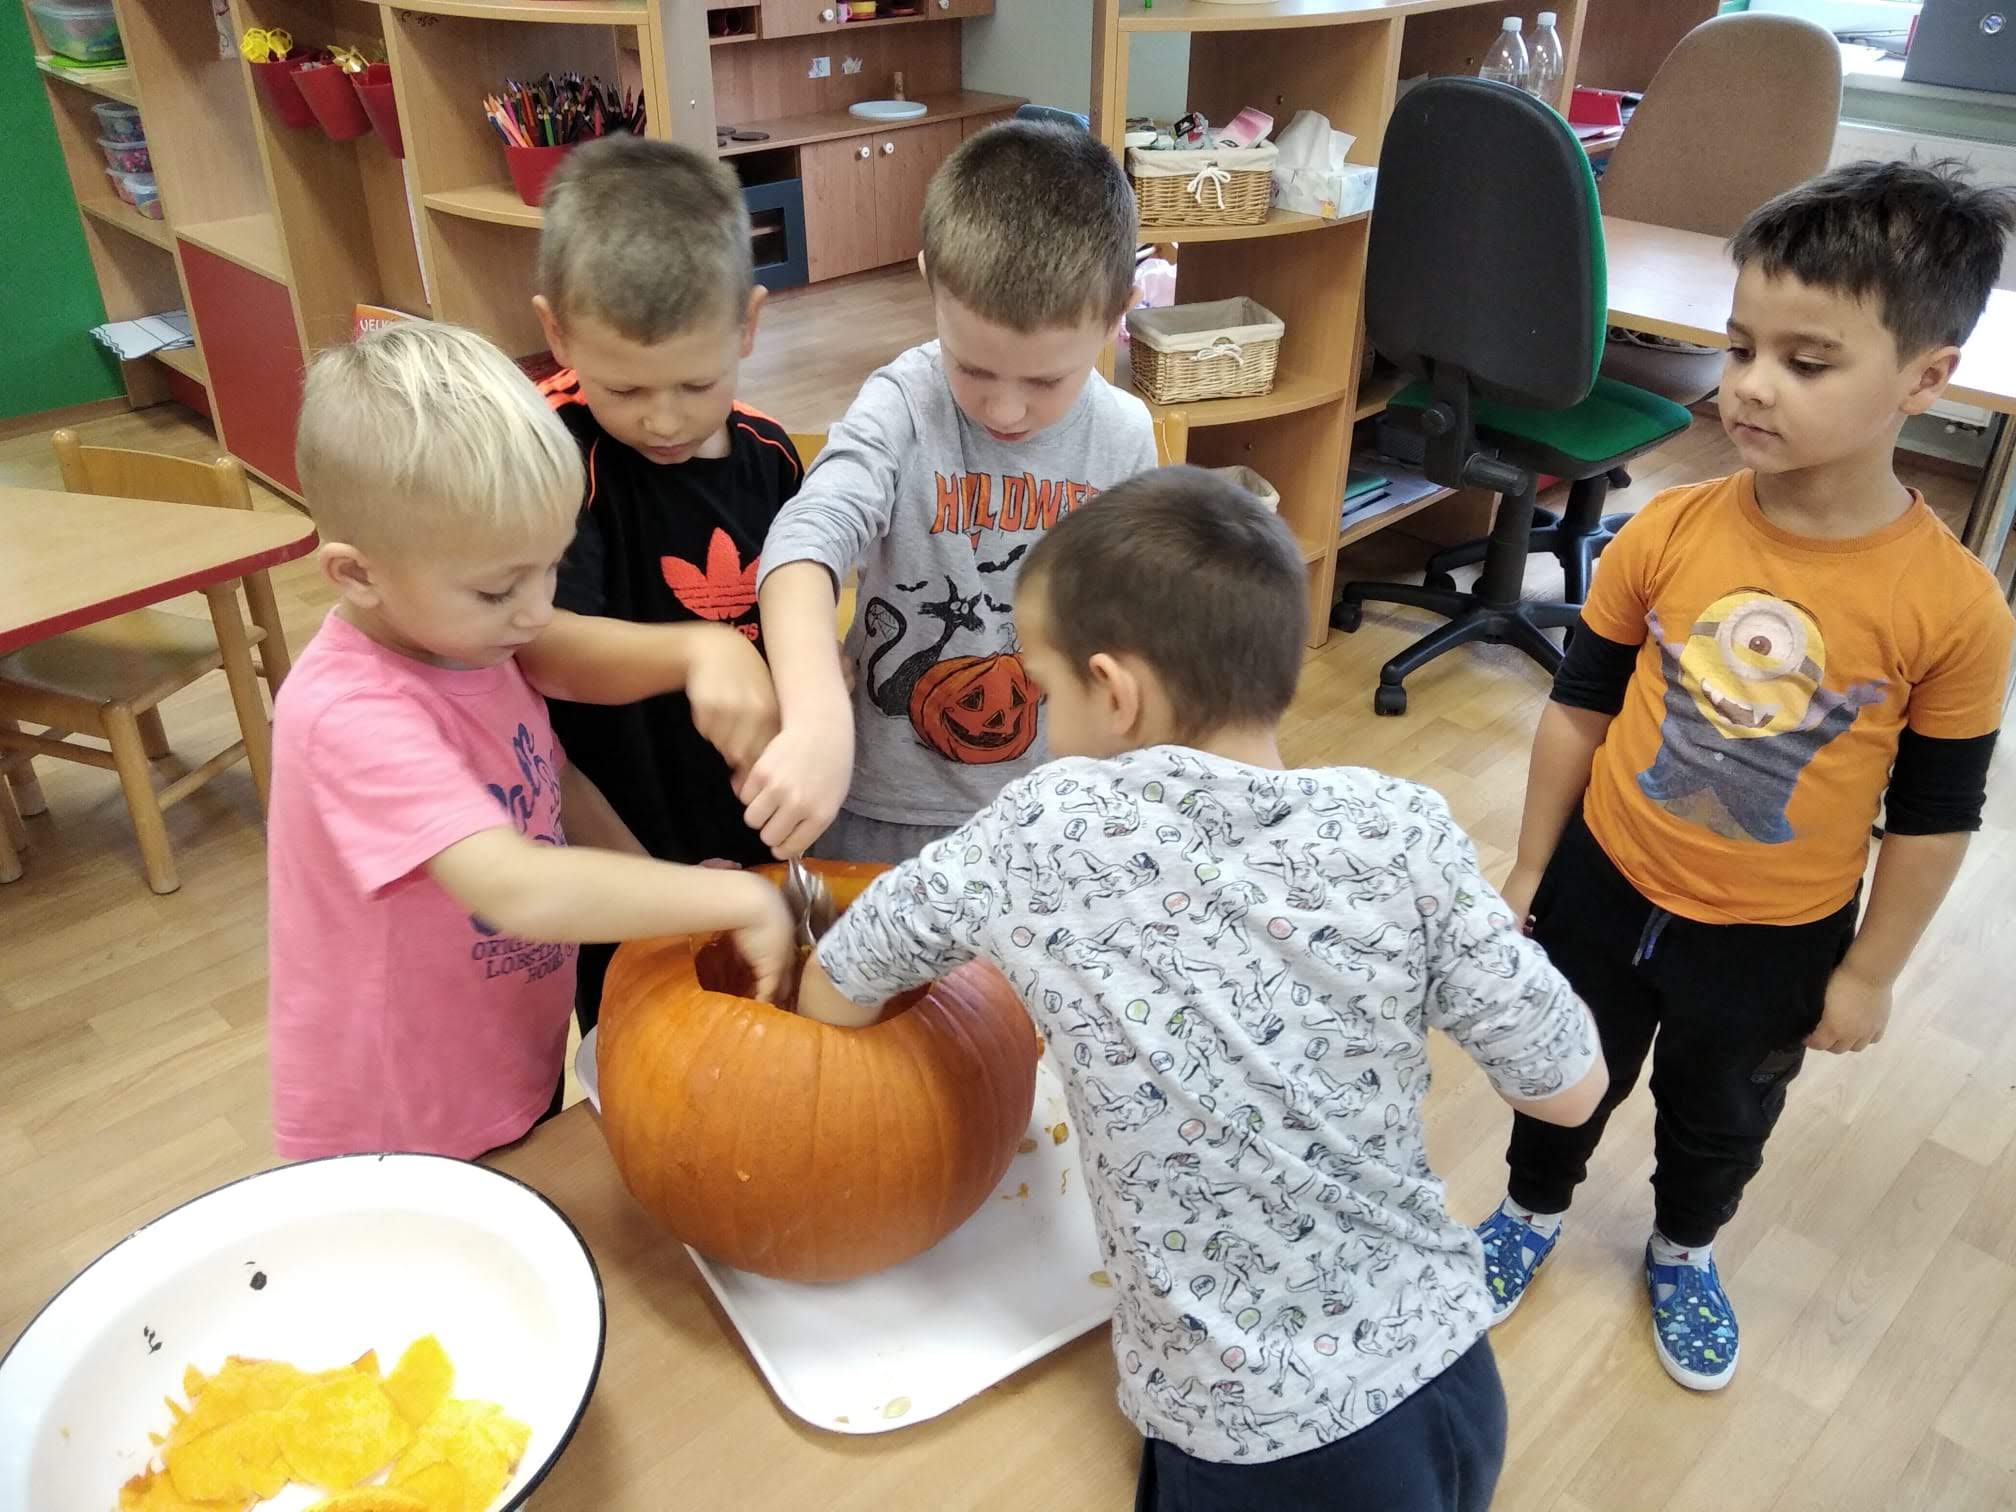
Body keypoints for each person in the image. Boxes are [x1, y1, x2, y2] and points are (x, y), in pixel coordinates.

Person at [796, 467, 1609, 1511]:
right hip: (1452, 1363)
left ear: (1115, 692)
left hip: (1257, 1440)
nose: (1038, 717)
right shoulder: (1399, 826)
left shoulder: (1042, 829)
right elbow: (1571, 1092)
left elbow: (847, 971)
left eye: (1044, 690)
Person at [1475, 160, 2016, 1391]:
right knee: (1561, 1069)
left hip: (1779, 935)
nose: (1752, 385)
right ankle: (1529, 1210)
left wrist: (1870, 972)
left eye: (1807, 362)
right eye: (1740, 347)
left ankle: (1685, 1248)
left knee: (1723, 1115)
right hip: (1606, 879)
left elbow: (1935, 819)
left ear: (1926, 379)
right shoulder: (1666, 529)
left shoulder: (1956, 610)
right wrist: (1531, 863)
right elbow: (1580, 703)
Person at [266, 321, 792, 1161]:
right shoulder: (348, 712)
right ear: (357, 573)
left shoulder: (472, 648)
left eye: (550, 568)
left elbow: (555, 786)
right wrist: (735, 902)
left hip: (505, 1054)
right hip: (400, 1112)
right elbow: (513, 885)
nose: (537, 612)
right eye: (497, 589)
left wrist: (667, 898)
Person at [739, 120, 1159, 864]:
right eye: (973, 369)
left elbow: (1140, 628)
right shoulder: (902, 404)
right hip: (877, 810)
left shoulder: (1125, 436)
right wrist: (813, 715)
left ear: (1117, 311)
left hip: (1045, 812)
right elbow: (807, 539)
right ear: (930, 279)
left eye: (1045, 380)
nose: (1005, 409)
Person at [515, 135, 804, 1033]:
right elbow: (540, 647)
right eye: (626, 390)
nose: (665, 419)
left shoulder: (770, 456)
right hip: (614, 848)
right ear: (558, 333)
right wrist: (699, 650)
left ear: (748, 325)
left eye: (696, 382)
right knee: (641, 1051)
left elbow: (795, 624)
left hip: (744, 832)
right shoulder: (551, 457)